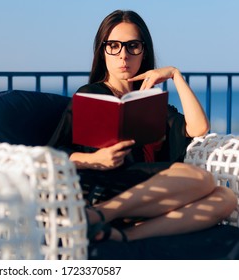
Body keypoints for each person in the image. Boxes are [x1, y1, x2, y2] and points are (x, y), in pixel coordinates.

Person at [48, 10, 237, 243]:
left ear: (143, 51)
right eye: (114, 46)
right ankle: (98, 213)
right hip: (109, 187)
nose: (123, 55)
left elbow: (198, 128)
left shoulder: (149, 100)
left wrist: (175, 75)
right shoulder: (90, 96)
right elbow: (52, 154)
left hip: (153, 194)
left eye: (132, 46)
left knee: (226, 198)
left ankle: (124, 235)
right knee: (202, 179)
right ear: (102, 50)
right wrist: (96, 159)